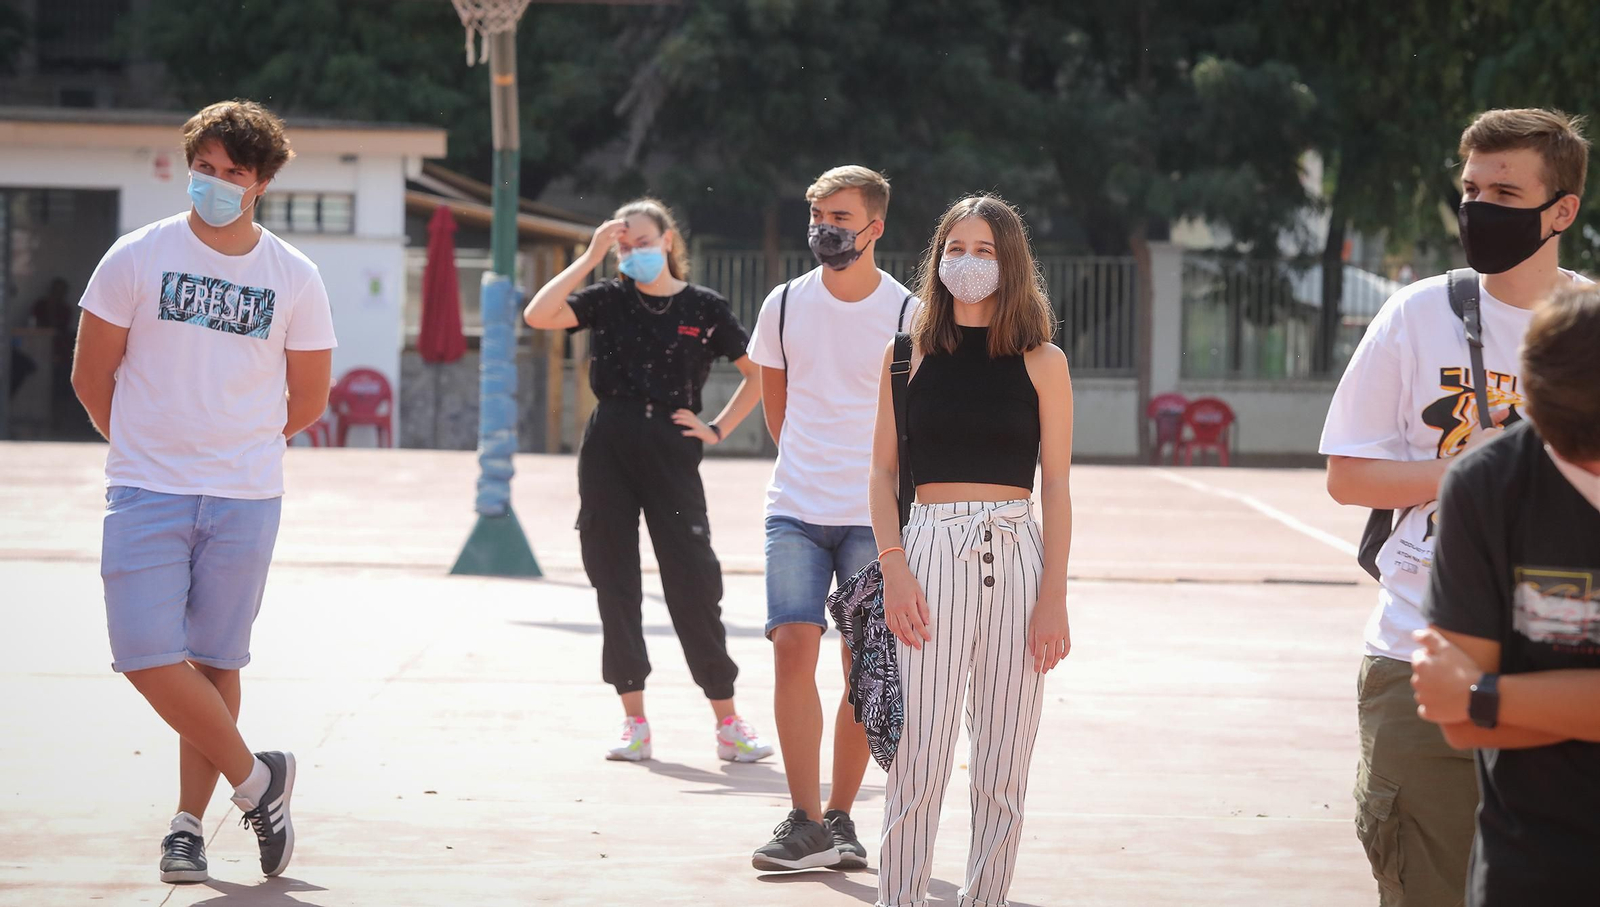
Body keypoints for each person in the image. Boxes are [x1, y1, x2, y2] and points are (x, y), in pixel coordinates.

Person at [1320, 107, 1590, 906]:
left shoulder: (1592, 328)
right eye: (1471, 188)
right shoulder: (1415, 314)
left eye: (1505, 190)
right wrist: (1462, 471)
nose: (1480, 207)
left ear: (1562, 209)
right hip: (1418, 654)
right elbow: (1348, 476)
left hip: (1564, 659)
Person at [70, 100, 336, 884]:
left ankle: (187, 826)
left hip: (245, 495)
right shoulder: (135, 256)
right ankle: (259, 782)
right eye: (204, 169)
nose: (214, 184)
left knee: (216, 660)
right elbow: (91, 376)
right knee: (147, 655)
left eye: (232, 174)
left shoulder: (295, 275)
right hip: (146, 487)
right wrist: (152, 444)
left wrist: (235, 441)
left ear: (261, 183)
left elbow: (310, 397)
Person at [869, 194, 1073, 907]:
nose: (968, 262)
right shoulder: (906, 355)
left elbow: (1057, 488)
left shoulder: (1044, 361)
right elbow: (883, 472)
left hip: (1018, 552)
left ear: (1010, 262)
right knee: (919, 755)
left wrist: (1054, 596)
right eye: (956, 248)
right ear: (938, 259)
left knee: (1004, 761)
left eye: (985, 250)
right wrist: (895, 568)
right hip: (927, 549)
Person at [522, 197, 774, 764]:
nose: (633, 251)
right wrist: (589, 257)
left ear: (668, 241)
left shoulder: (705, 307)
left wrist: (716, 429)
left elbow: (758, 375)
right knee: (614, 578)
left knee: (694, 580)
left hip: (672, 447)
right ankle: (634, 721)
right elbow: (539, 314)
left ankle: (728, 720)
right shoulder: (609, 299)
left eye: (641, 240)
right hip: (609, 441)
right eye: (623, 245)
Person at [747, 165, 917, 872]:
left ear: (874, 227)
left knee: (859, 664)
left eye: (841, 216)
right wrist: (811, 466)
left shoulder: (910, 313)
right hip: (795, 507)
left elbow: (915, 417)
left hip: (871, 518)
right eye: (818, 213)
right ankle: (804, 817)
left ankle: (843, 816)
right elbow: (776, 404)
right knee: (792, 641)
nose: (826, 227)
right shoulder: (784, 304)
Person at [1412, 281, 1600, 907]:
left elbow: (1464, 698)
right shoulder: (1485, 486)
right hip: (1530, 870)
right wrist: (1477, 705)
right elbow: (1459, 727)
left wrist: (1487, 693)